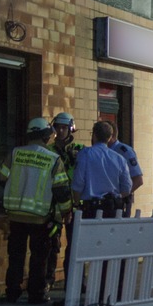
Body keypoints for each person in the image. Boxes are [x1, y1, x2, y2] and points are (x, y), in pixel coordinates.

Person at [0, 117, 71, 304]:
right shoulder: (53, 159)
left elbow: (0, 177)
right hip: (40, 217)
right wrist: (66, 212)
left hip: (16, 215)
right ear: (47, 136)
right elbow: (61, 189)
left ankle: (12, 292)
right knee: (38, 258)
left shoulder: (15, 154)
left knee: (15, 256)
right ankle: (36, 295)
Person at [47, 112, 84, 288]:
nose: (60, 131)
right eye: (58, 128)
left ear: (70, 129)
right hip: (53, 205)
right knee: (51, 244)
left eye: (64, 128)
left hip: (75, 205)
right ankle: (48, 281)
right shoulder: (49, 152)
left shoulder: (81, 150)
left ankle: (76, 283)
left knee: (75, 245)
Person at [72, 121, 134, 222]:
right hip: (113, 211)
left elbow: (78, 184)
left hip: (90, 210)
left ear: (94, 135)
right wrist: (117, 197)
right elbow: (127, 188)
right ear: (110, 138)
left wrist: (78, 205)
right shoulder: (119, 159)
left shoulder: (84, 155)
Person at [106, 122, 144, 217]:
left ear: (111, 135)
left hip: (119, 205)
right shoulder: (101, 152)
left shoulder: (124, 151)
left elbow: (138, 180)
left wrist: (119, 197)